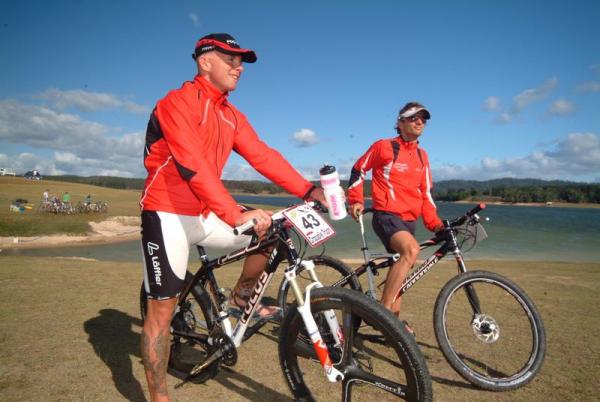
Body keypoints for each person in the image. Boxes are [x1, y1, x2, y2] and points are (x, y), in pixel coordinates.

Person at [139, 33, 326, 402]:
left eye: (241, 62)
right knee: (161, 313)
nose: (239, 67)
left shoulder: (231, 115)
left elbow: (262, 155)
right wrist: (234, 212)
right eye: (231, 59)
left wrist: (308, 190)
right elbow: (192, 164)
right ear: (205, 61)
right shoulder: (176, 102)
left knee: (272, 232)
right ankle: (160, 398)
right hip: (167, 213)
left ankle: (241, 299)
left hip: (206, 212)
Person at [347, 102, 443, 332]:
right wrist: (356, 200)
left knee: (400, 267)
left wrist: (436, 224)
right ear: (400, 122)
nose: (420, 122)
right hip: (386, 216)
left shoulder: (422, 156)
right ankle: (383, 315)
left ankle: (393, 326)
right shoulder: (384, 146)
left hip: (409, 221)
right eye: (414, 118)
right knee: (411, 251)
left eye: (423, 119)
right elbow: (359, 169)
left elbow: (426, 194)